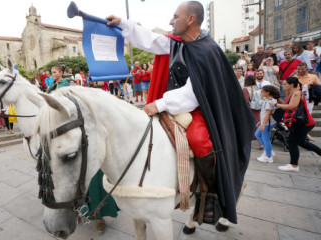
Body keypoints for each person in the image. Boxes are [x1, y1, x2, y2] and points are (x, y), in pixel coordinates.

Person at [106, 0, 253, 225]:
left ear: (190, 19)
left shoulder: (208, 49)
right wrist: (124, 24)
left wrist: (159, 104)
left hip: (201, 108)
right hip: (174, 103)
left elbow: (195, 92)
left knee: (199, 139)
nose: (170, 21)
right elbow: (152, 41)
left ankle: (210, 192)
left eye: (175, 17)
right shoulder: (178, 42)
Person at [270, 77, 321, 172]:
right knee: (302, 142)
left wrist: (276, 105)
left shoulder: (297, 93)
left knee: (292, 142)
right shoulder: (293, 93)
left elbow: (292, 106)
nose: (282, 86)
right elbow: (289, 106)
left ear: (291, 85)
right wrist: (279, 100)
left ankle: (294, 165)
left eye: (284, 84)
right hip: (302, 122)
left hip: (304, 123)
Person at [255, 86, 280, 163]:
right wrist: (260, 121)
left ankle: (268, 157)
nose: (260, 93)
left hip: (267, 124)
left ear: (267, 93)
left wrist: (263, 125)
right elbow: (265, 113)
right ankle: (268, 150)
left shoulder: (270, 101)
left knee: (266, 139)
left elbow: (268, 114)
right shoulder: (269, 100)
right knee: (257, 134)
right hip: (265, 122)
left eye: (262, 91)